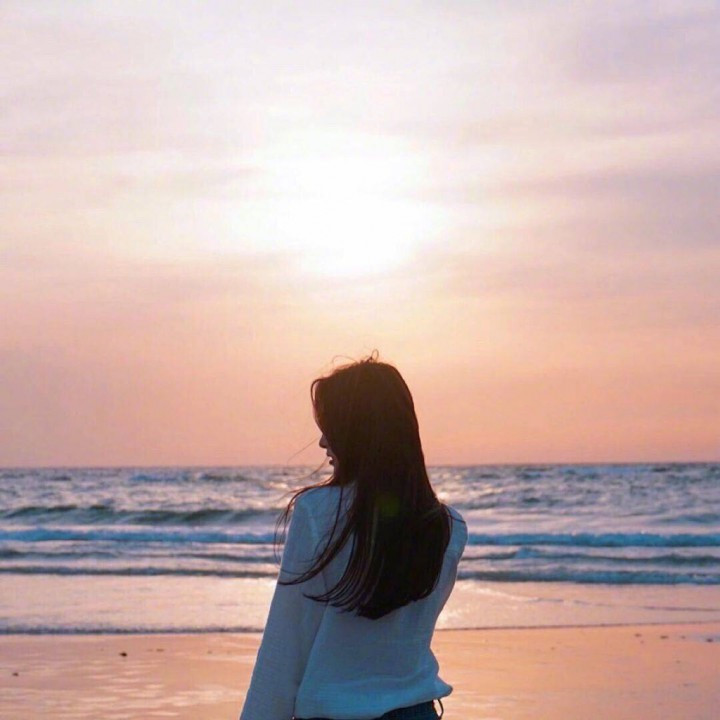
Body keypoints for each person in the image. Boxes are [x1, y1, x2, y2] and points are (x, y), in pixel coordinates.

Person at [239, 353, 468, 720]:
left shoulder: (318, 512)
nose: (322, 442)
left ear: (359, 433)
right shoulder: (448, 525)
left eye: (331, 426)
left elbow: (284, 648)